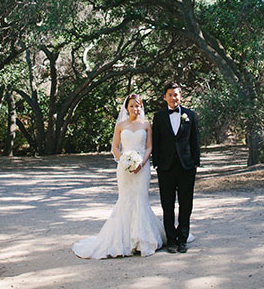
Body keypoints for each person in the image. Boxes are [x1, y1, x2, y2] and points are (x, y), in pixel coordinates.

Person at [72, 93, 166, 258]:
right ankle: (124, 241)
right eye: (131, 106)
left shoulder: (146, 124)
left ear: (141, 107)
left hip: (142, 168)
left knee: (141, 200)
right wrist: (125, 161)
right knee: (125, 200)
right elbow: (115, 147)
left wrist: (141, 163)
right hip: (124, 168)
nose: (135, 108)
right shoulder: (121, 125)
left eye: (137, 105)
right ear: (126, 108)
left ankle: (142, 240)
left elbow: (150, 147)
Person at [152, 82, 200, 254]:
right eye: (170, 95)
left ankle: (183, 239)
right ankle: (171, 239)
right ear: (165, 97)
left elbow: (195, 140)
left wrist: (195, 162)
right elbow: (156, 141)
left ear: (181, 96)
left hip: (186, 166)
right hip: (165, 167)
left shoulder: (190, 115)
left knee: (186, 204)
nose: (173, 98)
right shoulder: (158, 117)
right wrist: (156, 163)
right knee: (167, 204)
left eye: (176, 94)